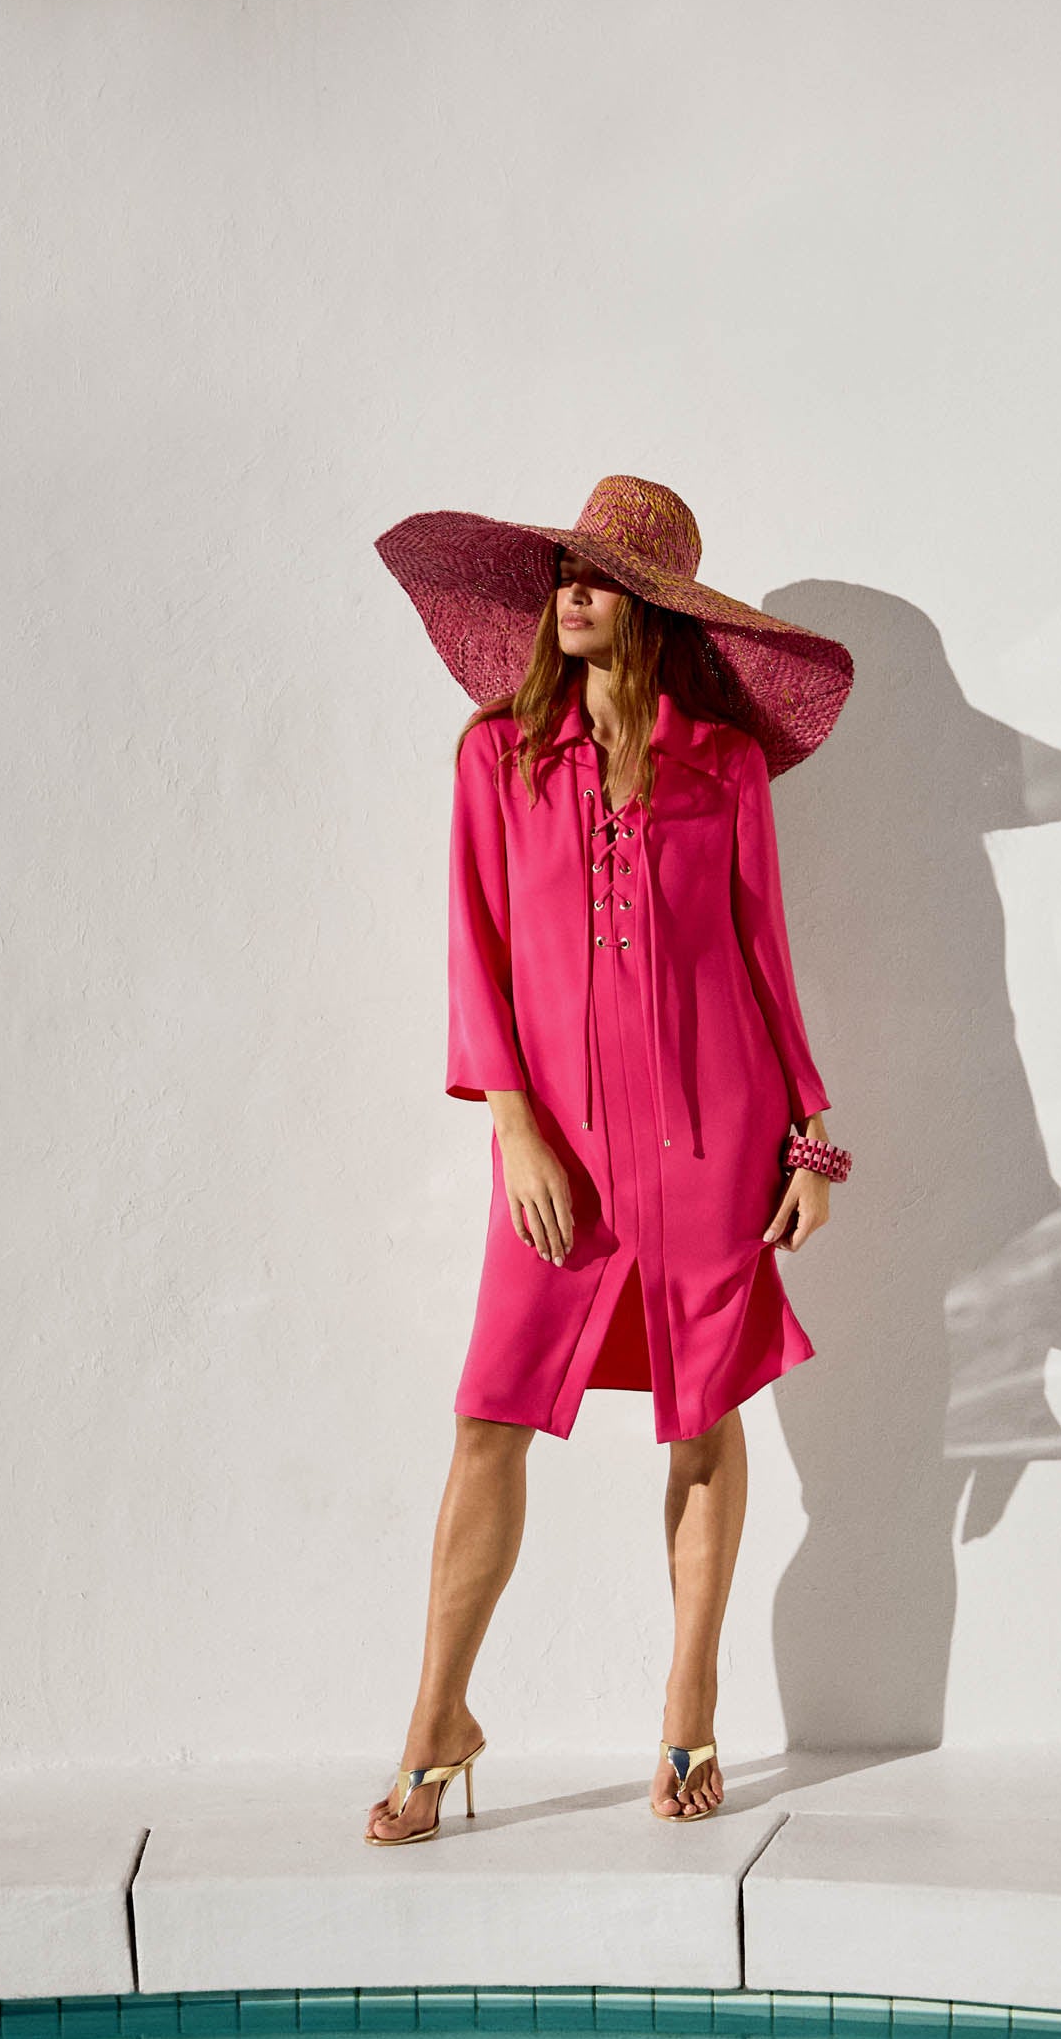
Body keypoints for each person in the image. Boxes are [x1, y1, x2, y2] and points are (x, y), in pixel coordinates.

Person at [366, 475, 854, 1844]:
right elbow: (479, 954)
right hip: (559, 1150)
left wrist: (810, 1137)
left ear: (654, 610)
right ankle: (436, 1720)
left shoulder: (726, 768)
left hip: (714, 1136)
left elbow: (764, 957)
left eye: (601, 578)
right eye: (564, 573)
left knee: (704, 1413)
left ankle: (691, 1699)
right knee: (490, 1417)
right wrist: (512, 1120)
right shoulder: (494, 760)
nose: (572, 594)